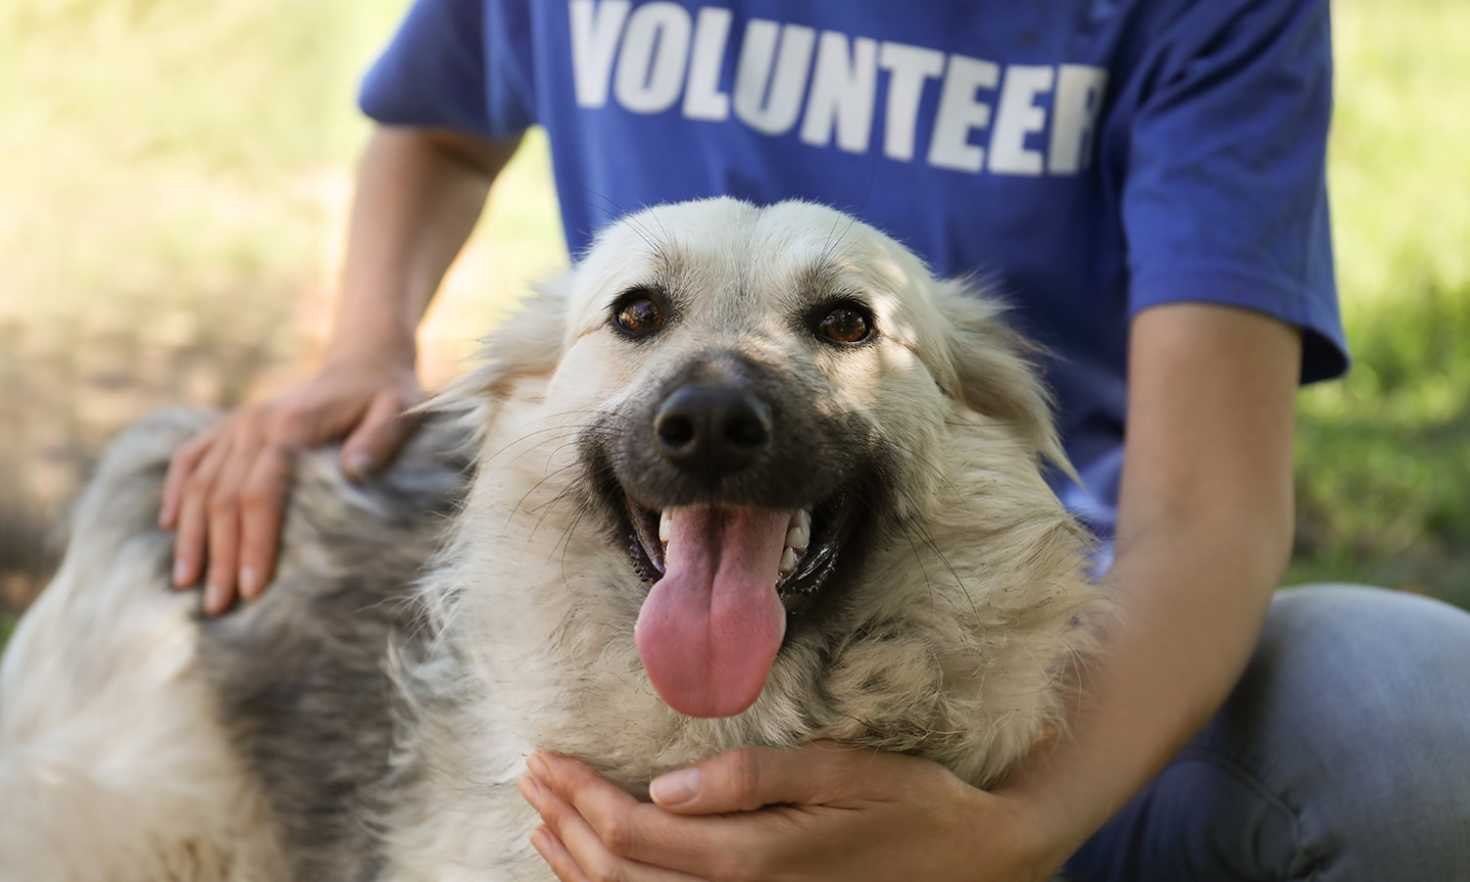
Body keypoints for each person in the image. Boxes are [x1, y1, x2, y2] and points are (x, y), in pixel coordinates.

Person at [159, 2, 1470, 879]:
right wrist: (364, 341)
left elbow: (1209, 512)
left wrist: (1008, 826)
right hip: (603, 662)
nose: (718, 400)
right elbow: (440, 118)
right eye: (640, 315)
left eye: (843, 323)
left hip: (1075, 699)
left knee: (1423, 715)